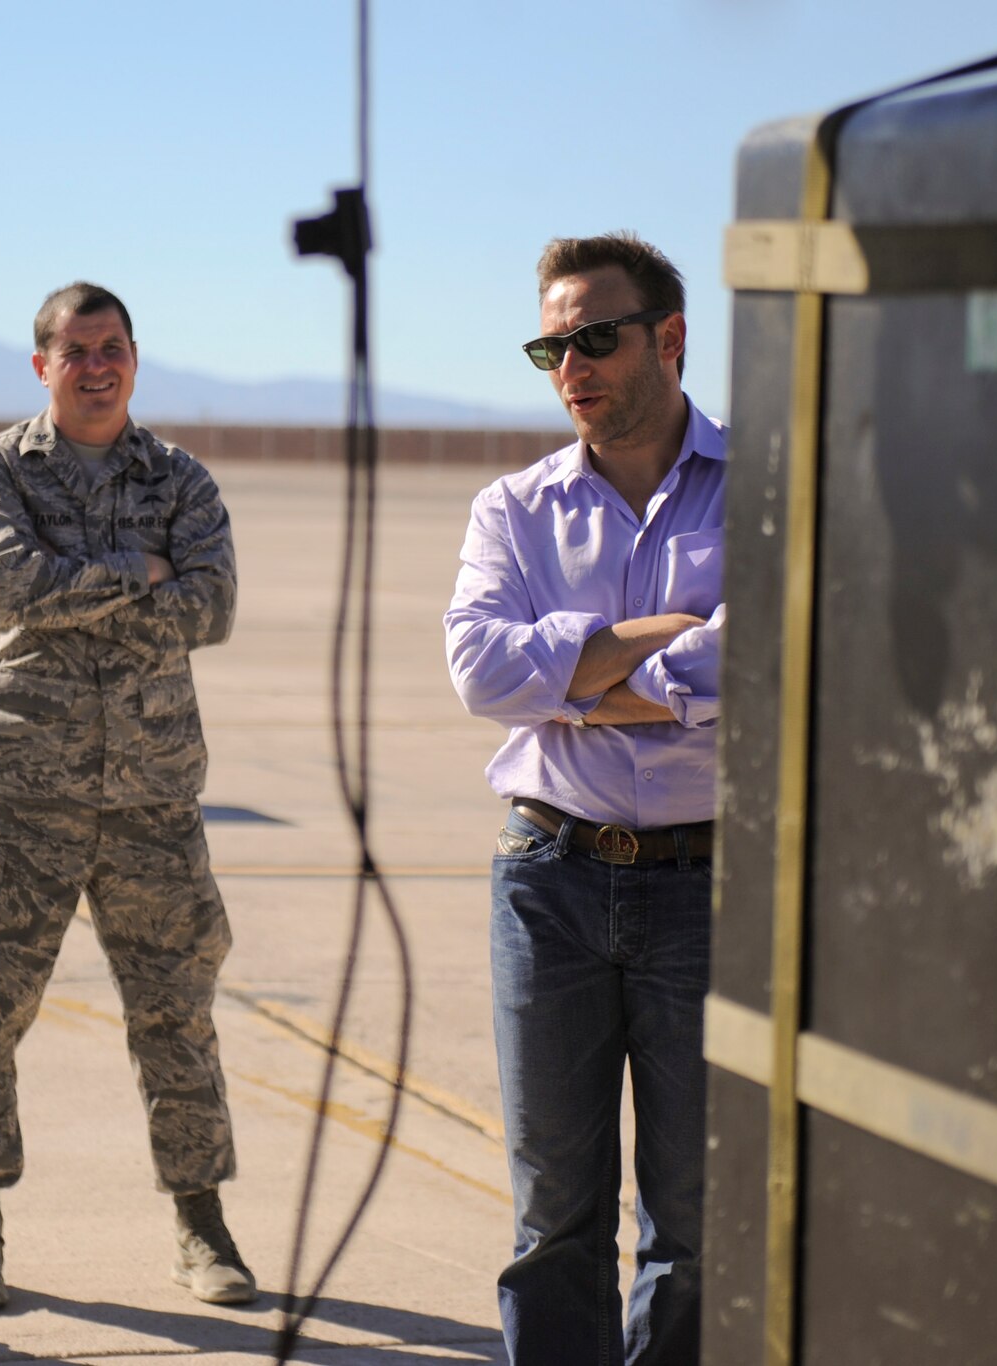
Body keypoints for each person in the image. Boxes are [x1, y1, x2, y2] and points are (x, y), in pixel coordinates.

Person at [0, 281, 251, 1311]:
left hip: (153, 800)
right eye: (76, 350)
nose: (97, 364)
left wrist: (92, 582)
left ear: (133, 357)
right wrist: (138, 571)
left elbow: (211, 607)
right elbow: (8, 587)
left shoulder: (179, 477)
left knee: (178, 1017)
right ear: (42, 364)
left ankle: (201, 1226)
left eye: (113, 346)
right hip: (27, 792)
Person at [444, 232, 725, 1365]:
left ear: (667, 338)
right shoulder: (510, 510)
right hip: (546, 882)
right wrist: (667, 657)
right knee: (553, 1217)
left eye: (594, 339)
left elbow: (763, 665)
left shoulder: (763, 493)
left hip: (706, 887)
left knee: (696, 1220)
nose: (571, 367)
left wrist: (566, 683)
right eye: (551, 346)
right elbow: (477, 671)